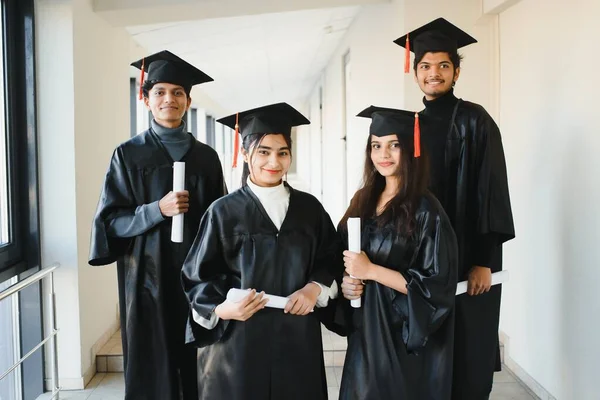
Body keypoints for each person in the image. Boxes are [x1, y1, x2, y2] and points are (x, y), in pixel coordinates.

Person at [88, 50, 226, 400]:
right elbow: (110, 223)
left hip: (197, 278)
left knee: (200, 364)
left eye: (178, 92)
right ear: (146, 99)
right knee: (153, 367)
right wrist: (155, 210)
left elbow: (223, 221)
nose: (169, 99)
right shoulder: (128, 155)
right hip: (147, 280)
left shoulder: (206, 157)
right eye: (160, 91)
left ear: (188, 101)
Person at [181, 102, 340, 400]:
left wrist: (314, 289)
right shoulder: (223, 212)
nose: (274, 161)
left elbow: (331, 259)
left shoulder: (309, 209)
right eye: (263, 151)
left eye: (282, 152)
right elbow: (196, 277)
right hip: (238, 341)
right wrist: (221, 309)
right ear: (244, 154)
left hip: (296, 337)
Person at [394, 18, 516, 399]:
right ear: (415, 73)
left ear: (457, 71)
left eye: (443, 66)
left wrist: (484, 260)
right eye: (426, 66)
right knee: (429, 347)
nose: (435, 73)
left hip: (469, 254)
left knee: (469, 349)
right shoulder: (409, 126)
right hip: (424, 257)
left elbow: (492, 192)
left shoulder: (475, 120)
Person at [333, 106, 458, 399]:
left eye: (394, 145)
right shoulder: (363, 199)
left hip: (402, 330)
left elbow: (436, 287)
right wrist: (347, 280)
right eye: (376, 145)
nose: (383, 154)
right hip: (365, 326)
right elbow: (340, 254)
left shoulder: (427, 210)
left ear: (411, 149)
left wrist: (372, 271)